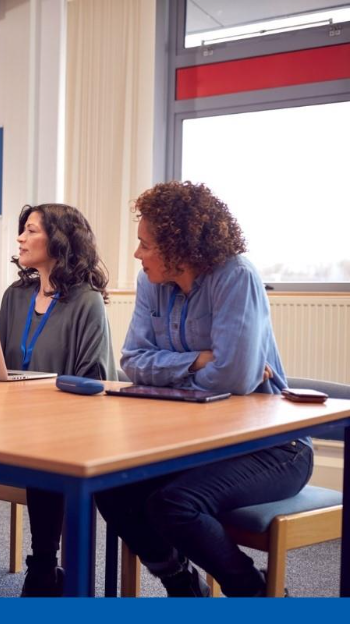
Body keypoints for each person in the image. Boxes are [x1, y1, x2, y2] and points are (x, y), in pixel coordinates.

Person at [95, 181, 312, 598]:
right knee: (112, 487)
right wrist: (198, 360)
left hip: (273, 448)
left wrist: (178, 371)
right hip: (194, 441)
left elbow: (234, 377)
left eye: (146, 244)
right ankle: (182, 585)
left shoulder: (236, 276)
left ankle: (254, 594)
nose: (137, 254)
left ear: (180, 246)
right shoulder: (150, 283)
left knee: (173, 504)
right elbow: (133, 361)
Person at [0, 203, 117, 596]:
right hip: (15, 421)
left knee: (45, 451)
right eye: (22, 231)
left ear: (59, 240)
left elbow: (91, 378)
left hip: (70, 429)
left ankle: (43, 565)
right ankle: (44, 566)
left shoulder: (86, 300)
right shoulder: (16, 295)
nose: (20, 238)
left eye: (30, 230)